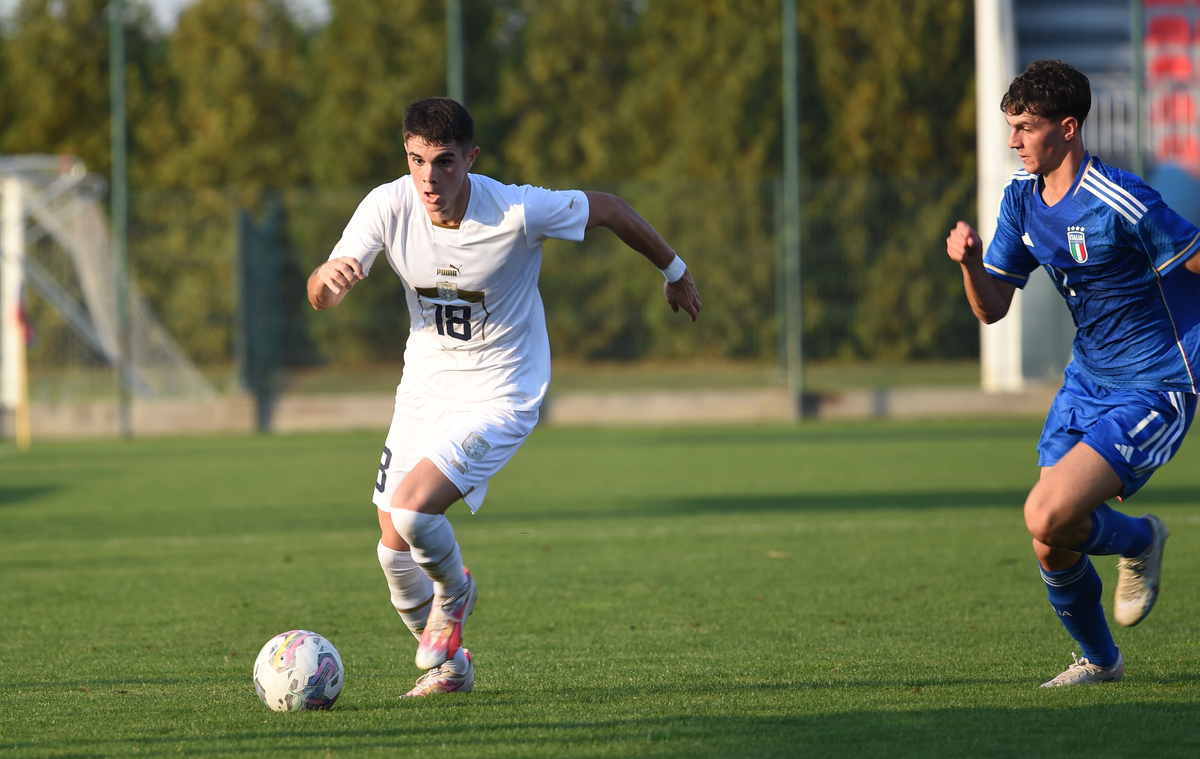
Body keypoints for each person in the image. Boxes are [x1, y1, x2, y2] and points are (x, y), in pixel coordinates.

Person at [306, 97, 702, 698]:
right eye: (417, 161)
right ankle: (450, 670)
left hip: (501, 393)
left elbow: (613, 209)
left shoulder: (517, 209)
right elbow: (323, 284)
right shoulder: (388, 204)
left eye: (444, 163)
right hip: (423, 390)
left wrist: (674, 271)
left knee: (415, 512)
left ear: (471, 158)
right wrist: (326, 285)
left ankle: (457, 592)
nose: (429, 179)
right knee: (392, 553)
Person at [946, 59, 1200, 687]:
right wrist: (971, 264)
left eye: (1025, 128)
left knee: (1045, 512)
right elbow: (992, 309)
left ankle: (1140, 539)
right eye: (1010, 127)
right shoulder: (1021, 201)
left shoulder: (1120, 197)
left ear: (1067, 128)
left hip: (1157, 383)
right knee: (1052, 540)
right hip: (1086, 383)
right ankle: (1102, 662)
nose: (1014, 141)